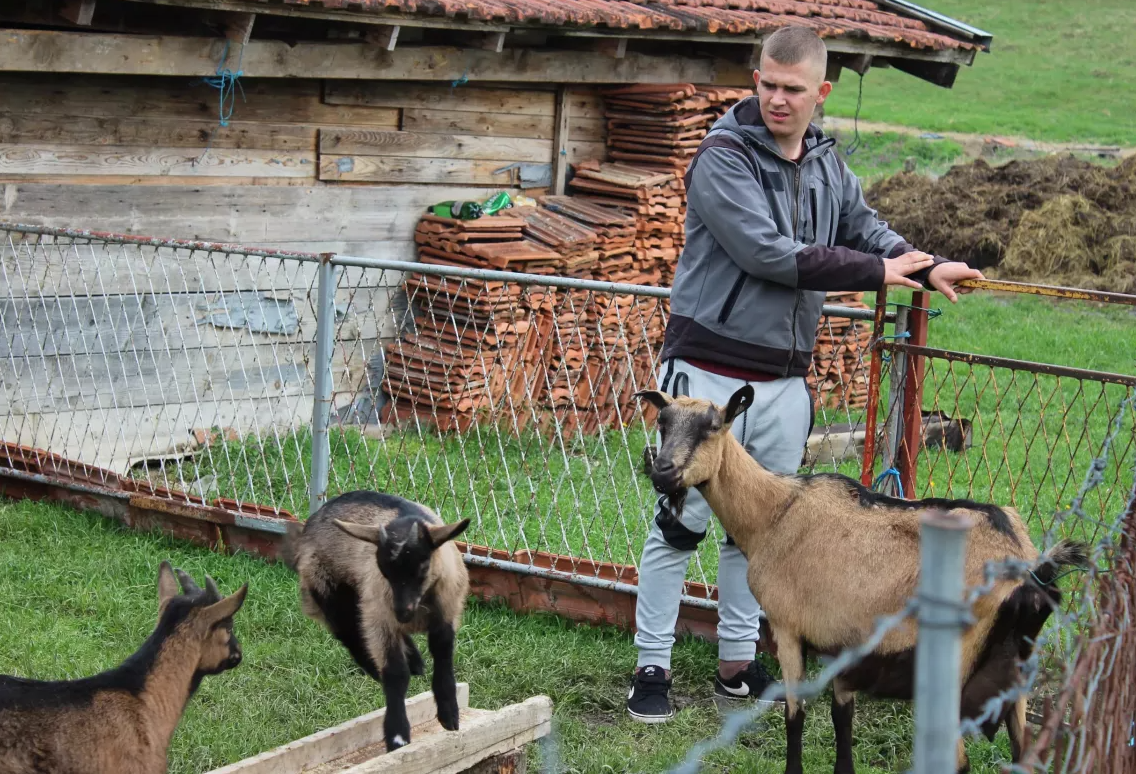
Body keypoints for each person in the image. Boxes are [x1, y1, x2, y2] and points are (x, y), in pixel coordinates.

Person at [625, 24, 985, 723]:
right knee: (679, 522)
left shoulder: (825, 161)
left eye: (792, 88)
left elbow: (866, 228)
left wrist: (924, 264)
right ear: (755, 79)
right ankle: (651, 666)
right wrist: (875, 270)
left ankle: (736, 664)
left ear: (822, 91)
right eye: (767, 84)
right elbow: (769, 254)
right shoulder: (721, 158)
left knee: (756, 529)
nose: (777, 99)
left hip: (783, 381)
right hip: (706, 372)